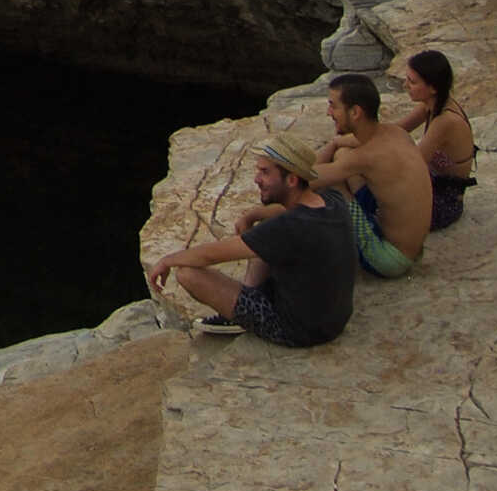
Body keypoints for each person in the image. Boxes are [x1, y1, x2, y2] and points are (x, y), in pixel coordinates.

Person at [144, 132, 354, 346]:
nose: (256, 179)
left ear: (292, 179)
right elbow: (284, 215)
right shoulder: (333, 201)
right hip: (333, 320)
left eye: (265, 172)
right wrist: (252, 215)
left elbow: (210, 255)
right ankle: (253, 294)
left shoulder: (288, 227)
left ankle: (238, 318)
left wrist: (167, 260)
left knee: (187, 273)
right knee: (263, 234)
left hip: (296, 330)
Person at [313, 72, 432, 276]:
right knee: (342, 153)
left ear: (355, 112)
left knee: (330, 187)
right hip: (410, 248)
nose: (328, 112)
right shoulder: (395, 133)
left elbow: (305, 179)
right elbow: (347, 144)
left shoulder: (365, 157)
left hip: (389, 259)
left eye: (333, 106)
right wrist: (335, 144)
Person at [396, 50, 476, 231]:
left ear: (433, 88)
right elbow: (396, 130)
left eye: (412, 82)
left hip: (444, 202)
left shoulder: (445, 121)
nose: (405, 85)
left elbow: (412, 165)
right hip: (431, 184)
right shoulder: (431, 105)